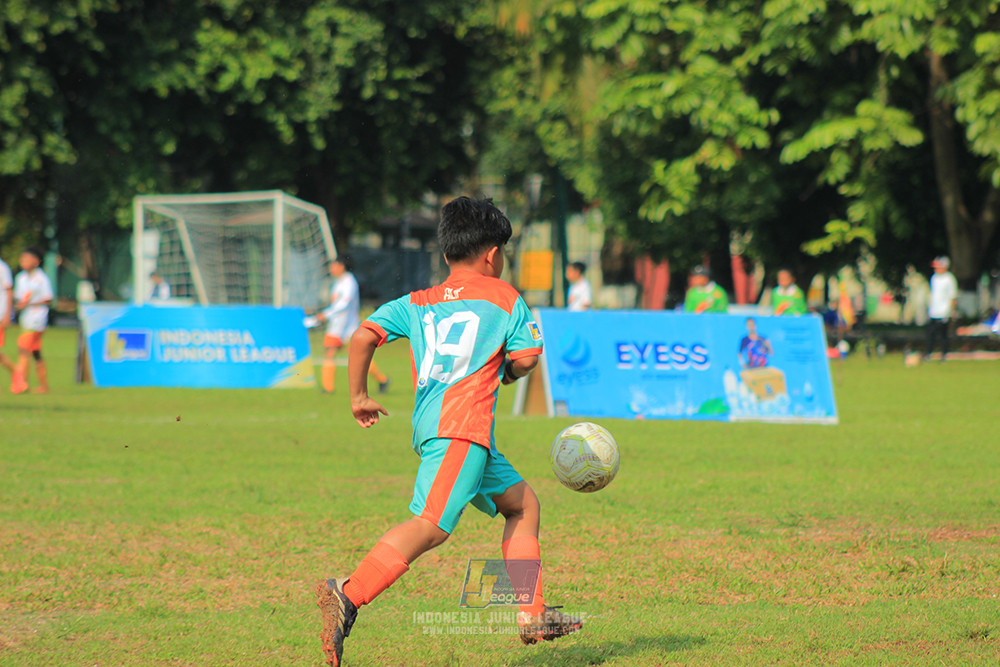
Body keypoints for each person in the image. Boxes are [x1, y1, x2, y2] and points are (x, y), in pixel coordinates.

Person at [315, 197, 582, 666]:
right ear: (494, 255)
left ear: (446, 253)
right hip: (462, 428)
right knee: (431, 525)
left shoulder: (419, 301)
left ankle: (532, 613)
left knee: (522, 505)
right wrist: (507, 371)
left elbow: (363, 336)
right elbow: (526, 358)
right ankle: (349, 593)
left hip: (437, 426)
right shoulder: (504, 296)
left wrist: (358, 397)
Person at [315, 257, 389, 395]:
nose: (331, 269)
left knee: (358, 357)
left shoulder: (349, 282)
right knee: (329, 352)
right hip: (336, 326)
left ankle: (382, 379)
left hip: (349, 327)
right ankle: (328, 388)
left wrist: (326, 314)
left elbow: (343, 304)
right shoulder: (338, 282)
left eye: (334, 266)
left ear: (341, 266)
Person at [11, 247, 53, 394]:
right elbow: (18, 298)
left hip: (37, 319)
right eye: (22, 259)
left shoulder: (41, 278)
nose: (23, 262)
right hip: (26, 319)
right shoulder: (20, 278)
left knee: (23, 348)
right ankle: (44, 385)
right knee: (35, 352)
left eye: (27, 259)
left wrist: (29, 303)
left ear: (35, 261)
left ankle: (22, 383)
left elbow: (48, 299)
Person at [924, 255, 958, 361]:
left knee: (943, 334)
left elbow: (953, 296)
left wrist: (952, 311)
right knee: (930, 334)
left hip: (944, 312)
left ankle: (944, 354)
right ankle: (928, 353)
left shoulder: (949, 279)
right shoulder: (934, 278)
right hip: (933, 311)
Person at [0, 256, 16, 383]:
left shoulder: (2, 268)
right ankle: (17, 372)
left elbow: (9, 291)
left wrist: (7, 315)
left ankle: (16, 372)